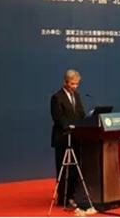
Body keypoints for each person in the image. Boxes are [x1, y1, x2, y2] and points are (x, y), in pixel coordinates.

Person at [50, 69, 86, 208]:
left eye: (77, 84)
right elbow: (58, 117)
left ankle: (73, 195)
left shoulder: (77, 95)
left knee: (75, 169)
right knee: (63, 168)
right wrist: (70, 126)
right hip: (63, 138)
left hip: (76, 137)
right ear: (65, 82)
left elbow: (81, 113)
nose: (75, 86)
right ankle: (63, 198)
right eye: (72, 84)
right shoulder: (57, 97)